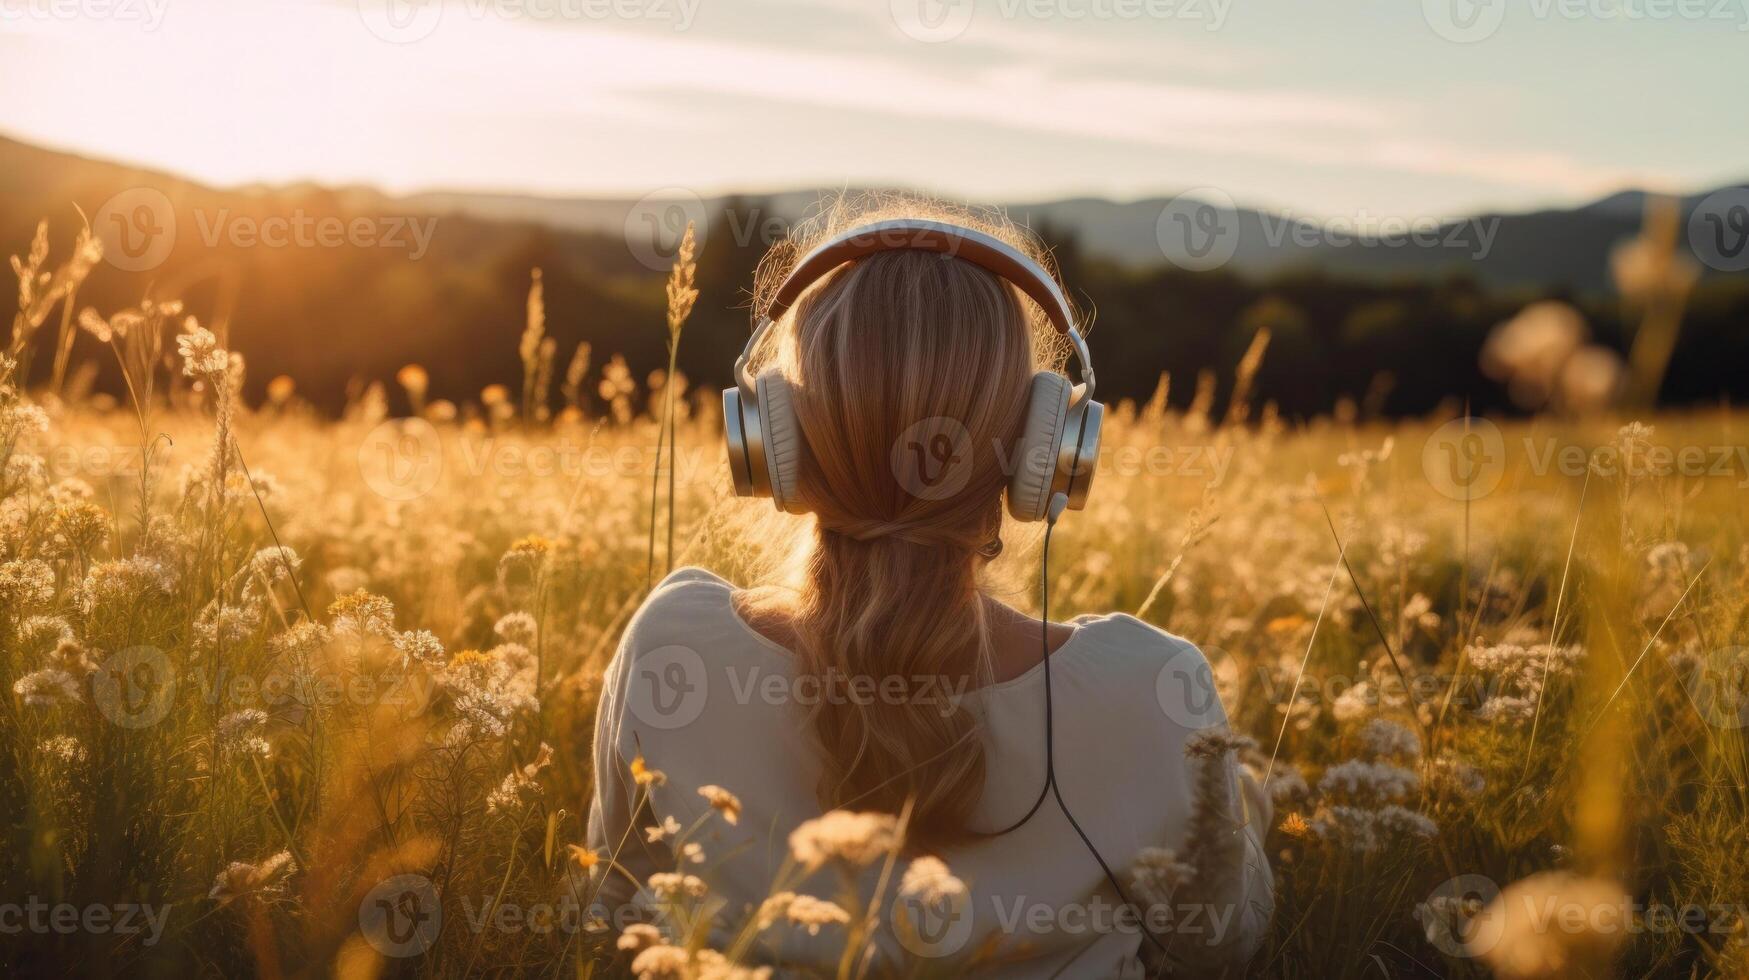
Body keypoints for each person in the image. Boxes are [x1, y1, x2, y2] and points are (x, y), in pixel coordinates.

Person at [587, 200, 1272, 977]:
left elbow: (615, 913)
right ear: (1041, 453)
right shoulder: (1151, 687)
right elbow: (1221, 943)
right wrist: (1238, 802)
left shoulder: (674, 646)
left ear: (774, 444)